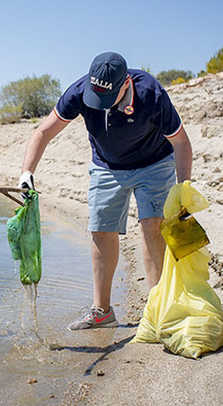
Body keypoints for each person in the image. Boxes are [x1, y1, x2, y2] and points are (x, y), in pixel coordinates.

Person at [19, 51, 192, 331]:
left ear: (125, 83)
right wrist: (27, 172)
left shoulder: (150, 93)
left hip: (154, 163)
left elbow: (181, 142)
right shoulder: (78, 91)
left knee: (152, 227)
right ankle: (102, 312)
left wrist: (183, 188)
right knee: (100, 229)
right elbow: (43, 132)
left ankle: (159, 309)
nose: (100, 106)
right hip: (106, 166)